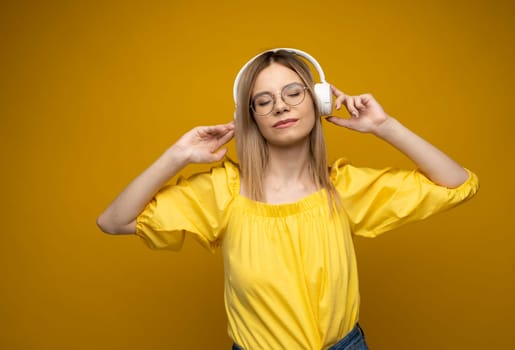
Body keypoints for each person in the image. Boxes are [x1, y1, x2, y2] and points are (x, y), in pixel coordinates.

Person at [97, 48, 479, 350]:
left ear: (319, 101)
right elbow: (114, 221)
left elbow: (457, 184)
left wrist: (384, 127)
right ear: (252, 118)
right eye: (263, 101)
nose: (280, 106)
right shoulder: (223, 192)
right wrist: (178, 154)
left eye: (293, 92)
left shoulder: (343, 189)